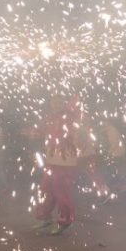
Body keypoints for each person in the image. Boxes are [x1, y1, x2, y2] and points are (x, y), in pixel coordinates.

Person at [32, 97, 82, 235]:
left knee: (61, 191)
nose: (55, 104)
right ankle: (44, 217)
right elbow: (42, 131)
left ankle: (65, 220)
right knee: (46, 189)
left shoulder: (70, 116)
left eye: (58, 101)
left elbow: (76, 123)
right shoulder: (50, 117)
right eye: (52, 101)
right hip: (52, 160)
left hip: (65, 162)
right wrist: (34, 133)